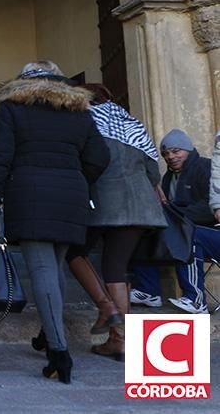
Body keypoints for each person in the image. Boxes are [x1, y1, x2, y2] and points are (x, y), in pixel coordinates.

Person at [0, 61, 109, 384]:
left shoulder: (12, 108)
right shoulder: (78, 110)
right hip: (70, 195)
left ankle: (59, 353)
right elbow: (99, 156)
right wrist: (76, 178)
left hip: (29, 193)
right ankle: (47, 334)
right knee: (55, 267)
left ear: (23, 80)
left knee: (42, 270)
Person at [68, 84, 166, 361]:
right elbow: (152, 171)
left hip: (103, 202)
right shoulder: (132, 123)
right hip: (140, 204)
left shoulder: (86, 123)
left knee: (73, 251)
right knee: (116, 268)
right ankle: (120, 338)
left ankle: (110, 314)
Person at [130, 129, 213, 313]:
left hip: (213, 232)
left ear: (188, 150)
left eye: (176, 151)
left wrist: (174, 214)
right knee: (145, 229)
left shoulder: (205, 168)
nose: (171, 157)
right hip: (189, 227)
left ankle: (196, 300)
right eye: (166, 154)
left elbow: (210, 208)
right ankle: (148, 291)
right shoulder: (168, 177)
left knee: (190, 235)